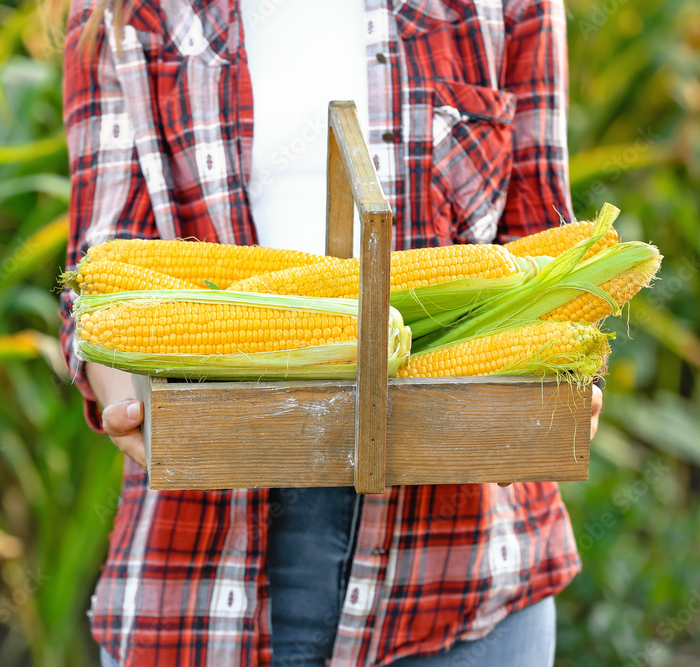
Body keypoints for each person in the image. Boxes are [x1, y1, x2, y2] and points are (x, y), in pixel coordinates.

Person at [59, 0, 604, 665]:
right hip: (205, 577)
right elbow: (101, 280)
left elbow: (542, 245)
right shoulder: (124, 12)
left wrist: (555, 378)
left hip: (463, 571)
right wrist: (132, 403)